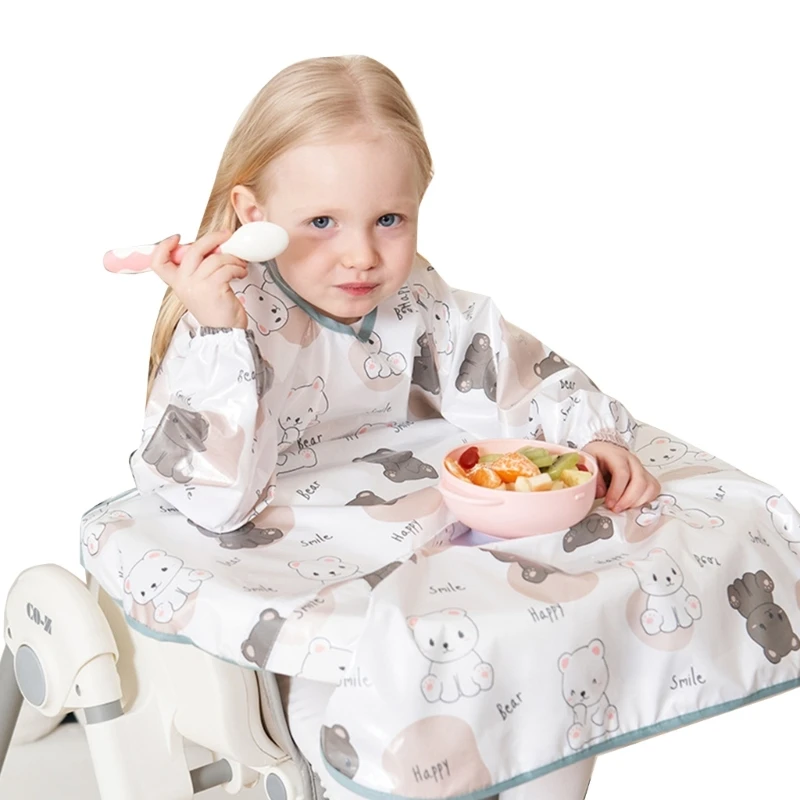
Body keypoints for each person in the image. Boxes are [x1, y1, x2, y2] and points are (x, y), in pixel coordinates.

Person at [132, 54, 661, 800]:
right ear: (253, 218)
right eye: (321, 223)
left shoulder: (417, 299)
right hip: (294, 587)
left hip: (409, 552)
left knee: (547, 675)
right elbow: (211, 498)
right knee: (360, 729)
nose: (361, 255)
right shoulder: (225, 318)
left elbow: (512, 372)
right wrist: (219, 334)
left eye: (390, 220)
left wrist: (594, 440)